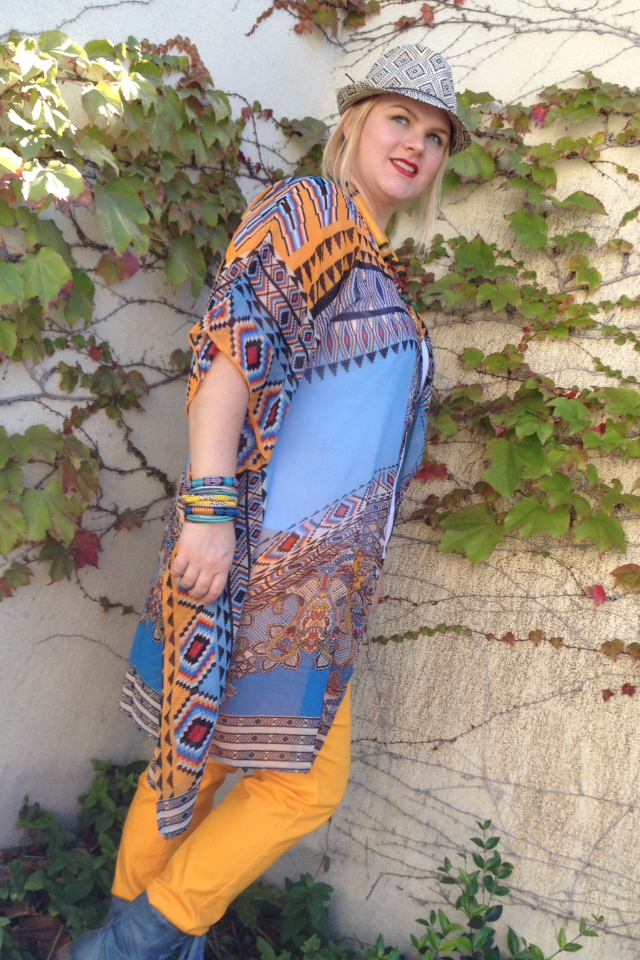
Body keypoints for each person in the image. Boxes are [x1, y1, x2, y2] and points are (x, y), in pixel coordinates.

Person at [59, 42, 470, 960]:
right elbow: (228, 353)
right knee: (300, 787)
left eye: (436, 135)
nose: (417, 143)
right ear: (354, 124)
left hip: (313, 582)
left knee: (194, 765)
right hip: (260, 560)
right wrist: (209, 511)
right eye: (400, 117)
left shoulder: (368, 257)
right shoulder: (310, 210)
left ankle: (128, 942)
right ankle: (131, 945)